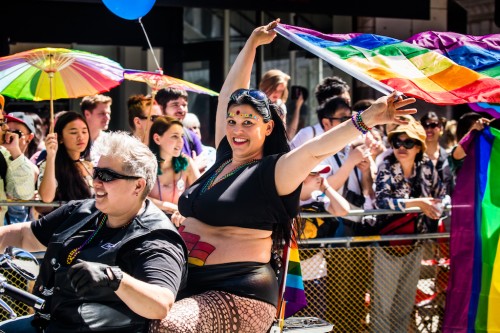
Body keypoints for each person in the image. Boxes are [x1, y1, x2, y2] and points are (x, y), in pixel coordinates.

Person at [149, 19, 417, 333]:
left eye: (248, 122)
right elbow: (227, 97)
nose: (236, 128)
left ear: (268, 128)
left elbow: (316, 150)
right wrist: (251, 44)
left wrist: (367, 117)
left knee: (166, 327)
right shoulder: (224, 158)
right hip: (185, 281)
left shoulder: (274, 171)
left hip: (237, 294)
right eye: (233, 121)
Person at [0, 131, 188, 332]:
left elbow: (161, 304)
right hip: (47, 323)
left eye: (107, 176)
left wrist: (113, 278)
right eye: (96, 172)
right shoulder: (83, 211)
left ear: (138, 185)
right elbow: (24, 235)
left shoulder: (156, 238)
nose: (96, 182)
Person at [371, 115, 446, 333]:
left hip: (415, 244)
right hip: (387, 246)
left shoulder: (427, 168)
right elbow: (382, 201)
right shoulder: (386, 166)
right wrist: (419, 203)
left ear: (418, 147)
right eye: (397, 142)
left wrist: (436, 207)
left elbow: (442, 194)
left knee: (404, 305)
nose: (401, 147)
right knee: (382, 306)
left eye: (408, 142)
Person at [37, 111, 94, 208]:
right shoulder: (50, 166)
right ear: (60, 138)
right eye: (74, 132)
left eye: (84, 131)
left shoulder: (89, 166)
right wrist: (51, 156)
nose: (81, 137)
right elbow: (46, 198)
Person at [148, 115, 200, 216]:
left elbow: (201, 194)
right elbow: (136, 199)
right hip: (150, 224)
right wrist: (168, 206)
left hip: (179, 222)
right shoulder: (144, 165)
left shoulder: (186, 162)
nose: (181, 142)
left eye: (182, 136)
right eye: (175, 136)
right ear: (157, 139)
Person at [0, 112, 36, 225]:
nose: (6, 129)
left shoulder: (5, 156)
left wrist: (15, 152)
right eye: (1, 123)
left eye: (16, 132)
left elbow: (24, 194)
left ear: (30, 137)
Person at [155, 88, 204, 159]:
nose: (181, 110)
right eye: (175, 105)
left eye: (184, 105)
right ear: (161, 108)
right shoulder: (151, 135)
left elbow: (203, 162)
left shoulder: (191, 137)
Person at [420, 111, 453, 195]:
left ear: (441, 128)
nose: (429, 129)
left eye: (433, 125)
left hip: (445, 205)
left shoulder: (449, 157)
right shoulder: (415, 157)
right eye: (425, 125)